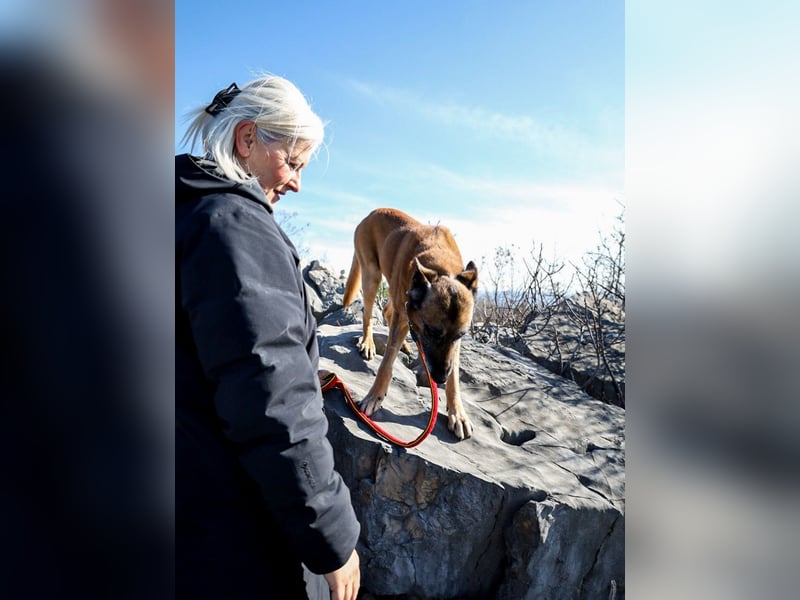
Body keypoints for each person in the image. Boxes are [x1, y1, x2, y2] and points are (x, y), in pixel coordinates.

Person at [176, 76, 361, 600]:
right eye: (294, 162)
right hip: (223, 538)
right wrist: (333, 538)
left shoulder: (175, 214)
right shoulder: (234, 226)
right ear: (248, 139)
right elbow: (271, 400)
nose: (297, 183)